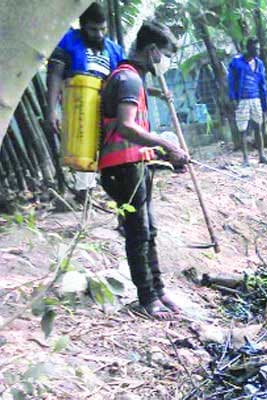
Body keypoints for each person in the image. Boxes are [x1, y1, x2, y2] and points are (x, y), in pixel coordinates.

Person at [99, 21, 189, 320]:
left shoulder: (133, 78)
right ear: (152, 51)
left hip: (134, 166)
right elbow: (126, 127)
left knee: (148, 230)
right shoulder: (128, 80)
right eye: (164, 54)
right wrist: (166, 144)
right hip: (122, 169)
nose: (165, 61)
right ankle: (147, 298)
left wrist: (167, 157)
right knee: (138, 234)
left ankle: (158, 290)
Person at [45, 2, 126, 203]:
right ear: (83, 26)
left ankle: (114, 198)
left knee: (109, 153)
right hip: (78, 107)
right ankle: (84, 194)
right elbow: (55, 75)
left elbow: (123, 81)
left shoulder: (115, 50)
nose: (98, 34)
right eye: (93, 29)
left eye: (102, 29)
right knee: (81, 149)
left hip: (107, 109)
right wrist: (51, 110)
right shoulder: (68, 41)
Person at [228, 38, 267, 166]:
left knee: (258, 126)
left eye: (258, 48)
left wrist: (265, 102)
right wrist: (233, 98)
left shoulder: (259, 64)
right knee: (243, 128)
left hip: (256, 98)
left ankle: (261, 156)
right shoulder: (236, 63)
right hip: (242, 100)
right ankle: (245, 159)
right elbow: (231, 82)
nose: (257, 51)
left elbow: (262, 84)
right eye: (255, 48)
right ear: (249, 48)